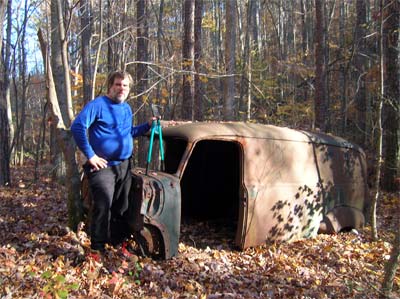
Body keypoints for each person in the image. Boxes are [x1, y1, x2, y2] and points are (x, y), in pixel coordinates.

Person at [71, 70, 153, 256]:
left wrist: (147, 126)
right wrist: (90, 155)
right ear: (110, 85)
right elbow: (77, 126)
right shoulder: (98, 105)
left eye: (125, 85)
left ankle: (116, 243)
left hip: (123, 165)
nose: (121, 88)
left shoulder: (126, 108)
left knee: (122, 206)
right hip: (102, 166)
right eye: (118, 84)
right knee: (103, 205)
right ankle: (97, 249)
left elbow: (127, 133)